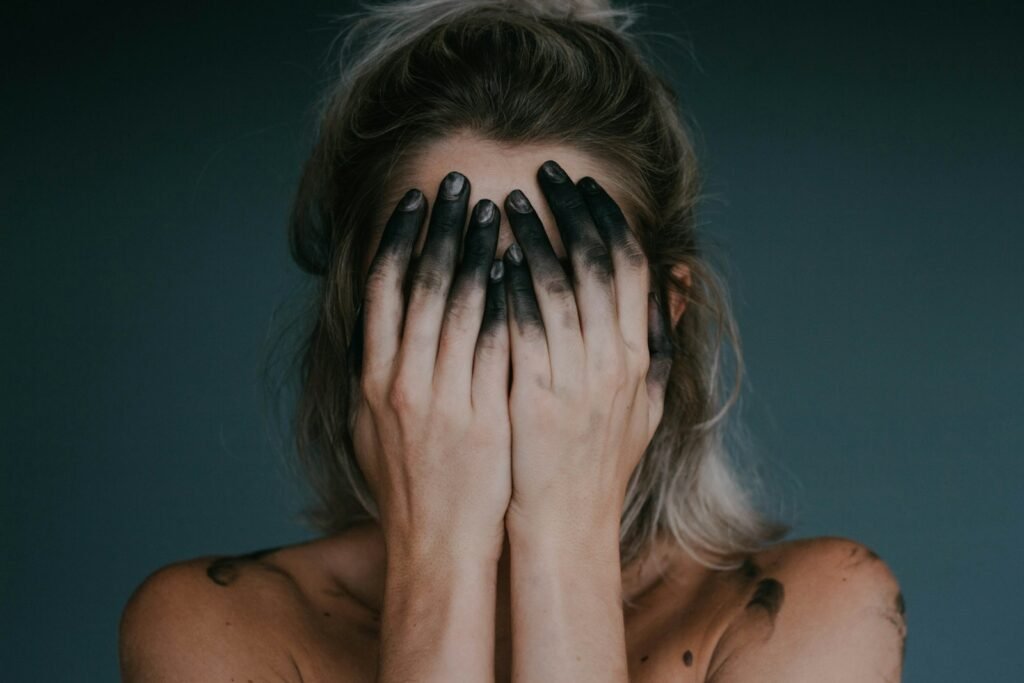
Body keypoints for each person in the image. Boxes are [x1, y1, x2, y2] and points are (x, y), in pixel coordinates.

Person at [118, 1, 906, 681]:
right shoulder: (214, 627)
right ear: (363, 321)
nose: (500, 349)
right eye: (444, 284)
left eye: (559, 292)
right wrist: (442, 554)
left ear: (660, 321)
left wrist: (561, 537)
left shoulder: (813, 615)